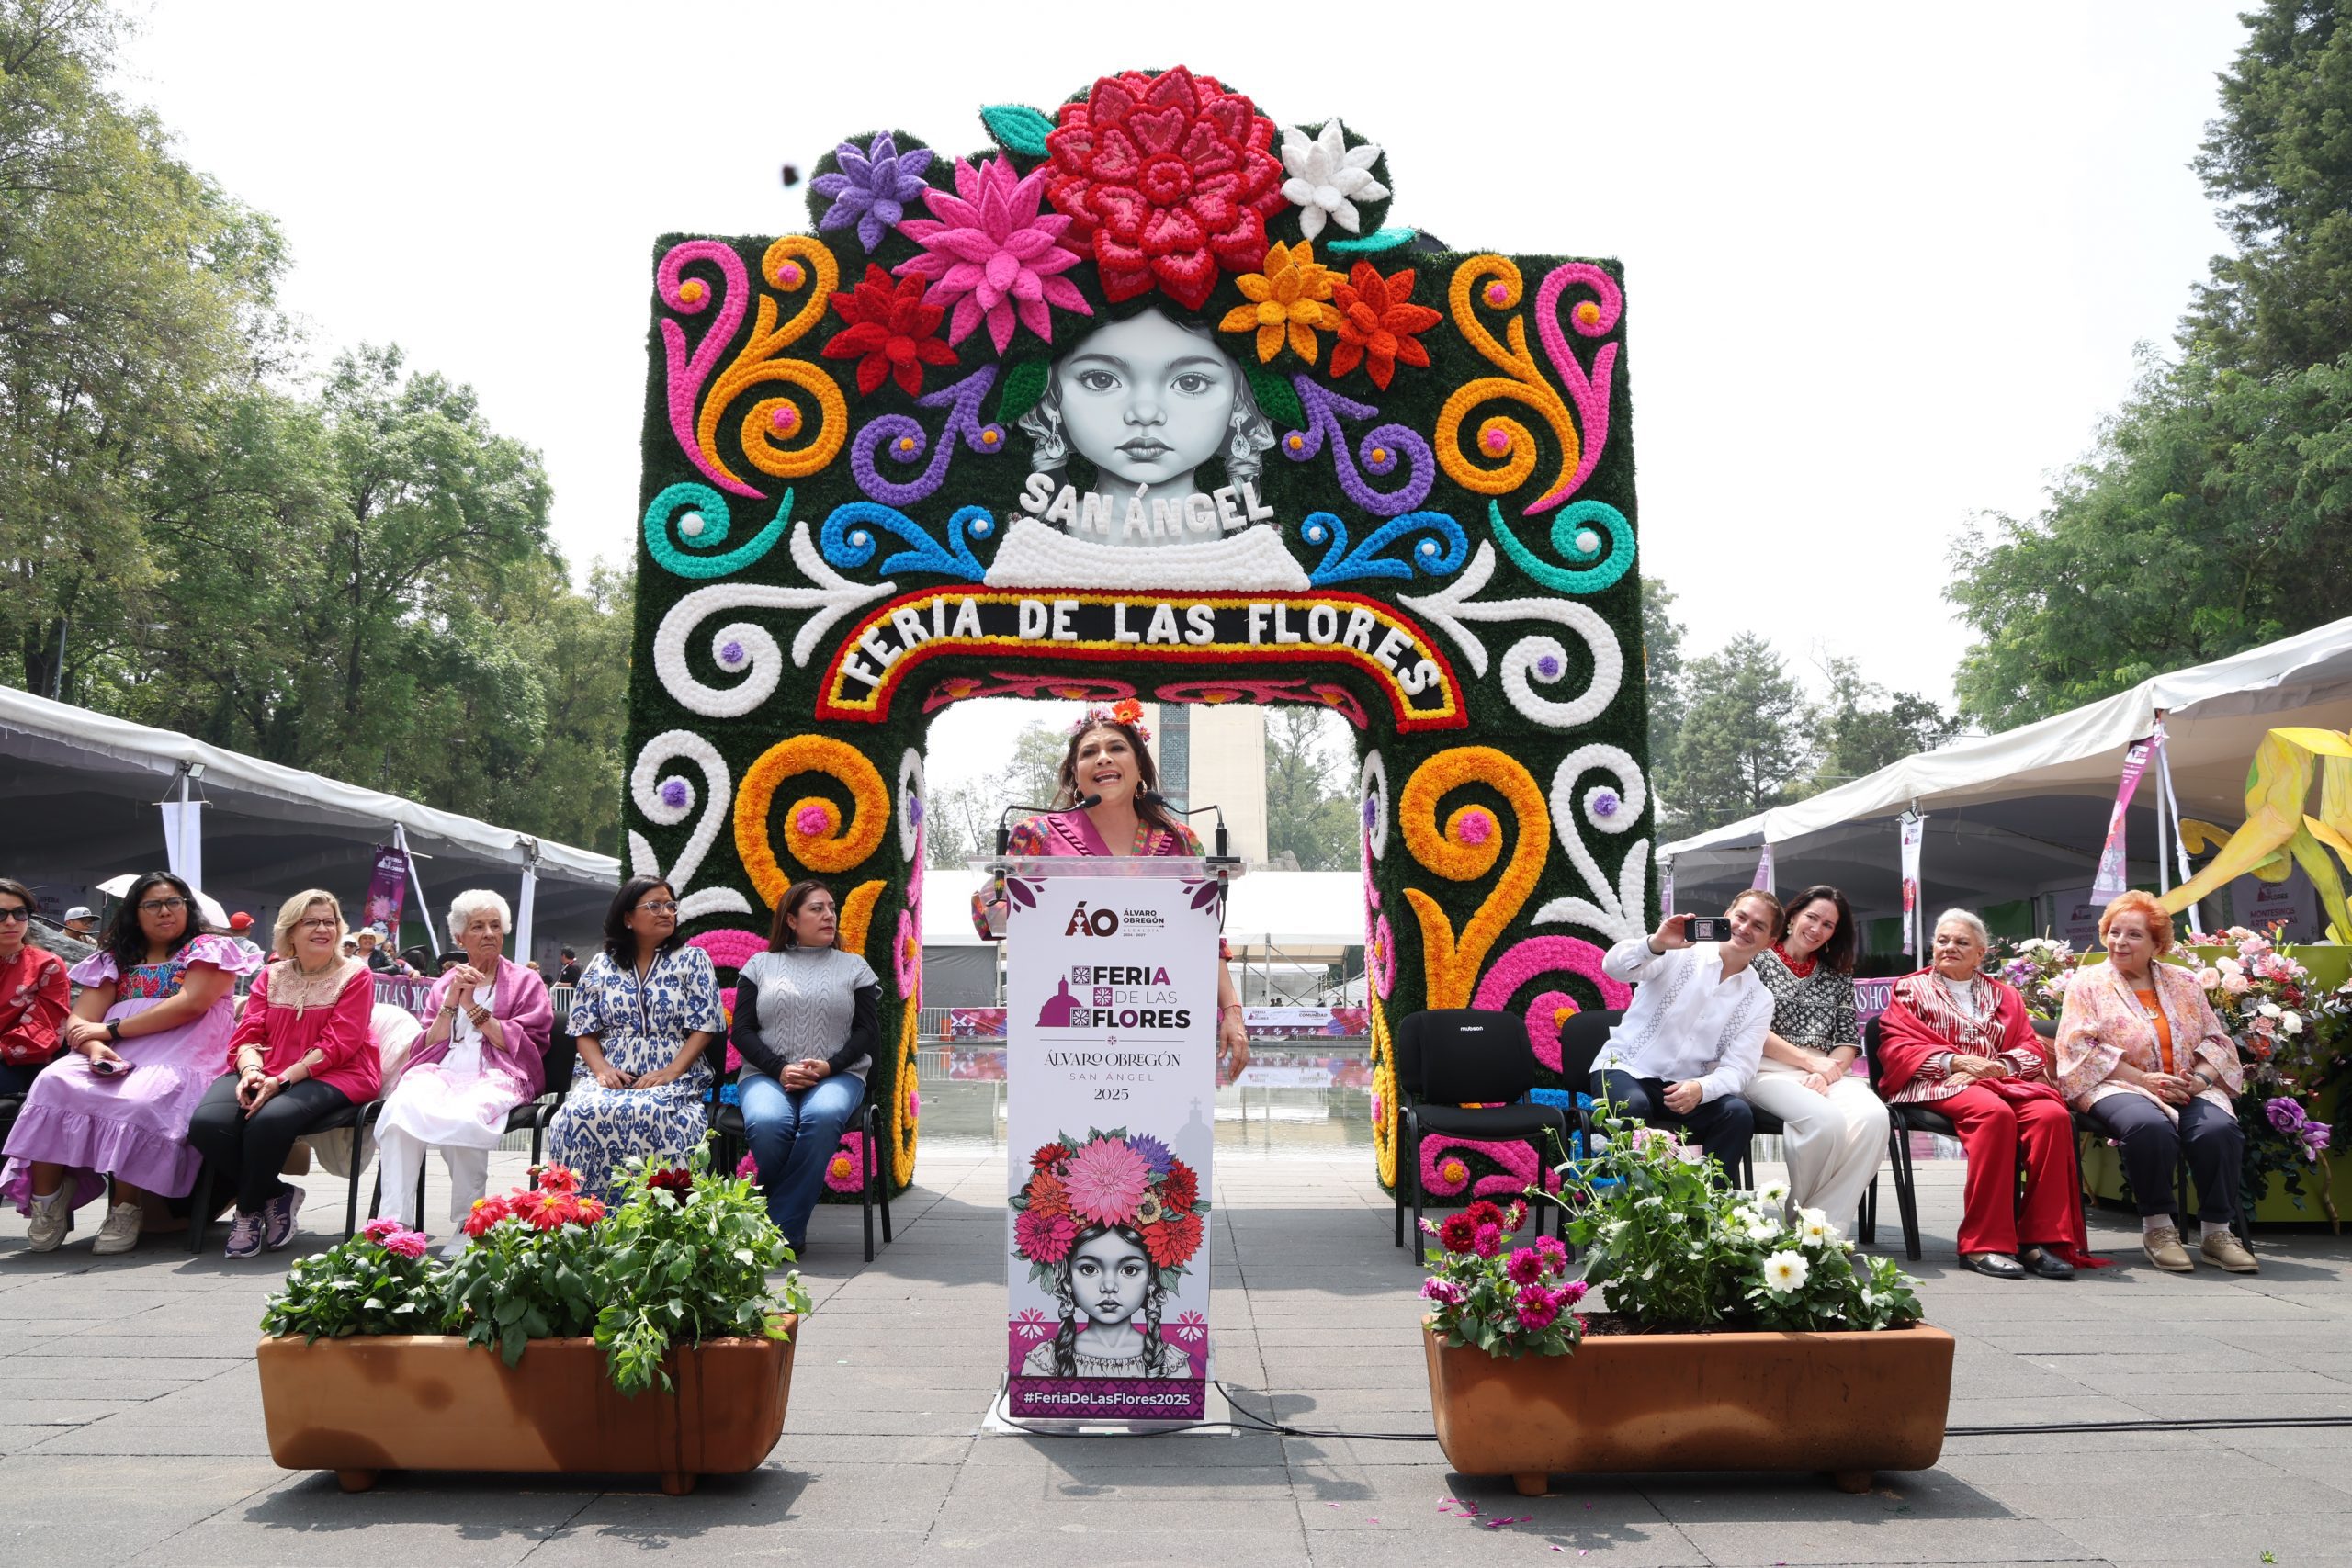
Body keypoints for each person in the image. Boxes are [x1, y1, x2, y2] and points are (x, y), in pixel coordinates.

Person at [970, 704, 1250, 1083]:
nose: (1103, 758)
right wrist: (1000, 901)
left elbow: (1207, 936)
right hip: (1068, 1030)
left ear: (1139, 768)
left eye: (1116, 748)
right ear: (1075, 773)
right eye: (1089, 752)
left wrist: (1231, 1012)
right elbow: (989, 914)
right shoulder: (1035, 835)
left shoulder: (1179, 841)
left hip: (1160, 1020)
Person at [3, 873, 258, 1254]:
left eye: (174, 902)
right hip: (108, 1051)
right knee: (52, 1082)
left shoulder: (208, 949)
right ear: (134, 913)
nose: (165, 912)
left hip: (181, 1055)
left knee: (139, 1099)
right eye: (152, 905)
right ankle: (47, 1201)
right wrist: (92, 1047)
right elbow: (80, 1018)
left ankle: (126, 1208)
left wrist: (110, 1031)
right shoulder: (114, 958)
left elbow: (191, 1004)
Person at [1875, 909, 2097, 1280]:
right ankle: (1983, 1244)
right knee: (1994, 1115)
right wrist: (1956, 1062)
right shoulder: (1910, 989)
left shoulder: (2004, 994)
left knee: (2052, 1117)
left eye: (1961, 942)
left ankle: (2039, 1241)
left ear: (1981, 954)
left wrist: (2005, 1067)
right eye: (1943, 941)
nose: (1949, 948)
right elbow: (1896, 1046)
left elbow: (2031, 1047)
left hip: (2002, 1081)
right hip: (1938, 1082)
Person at [2053, 891, 2256, 1274]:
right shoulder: (2088, 983)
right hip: (2114, 1084)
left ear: (2156, 944)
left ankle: (2216, 1232)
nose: (2119, 942)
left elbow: (2216, 1041)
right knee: (2149, 1127)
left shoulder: (2183, 982)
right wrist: (2144, 1078)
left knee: (2218, 1131)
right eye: (2114, 932)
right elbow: (2078, 1047)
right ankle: (2159, 1229)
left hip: (2184, 1084)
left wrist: (2198, 1080)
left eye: (2133, 935)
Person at [189, 890, 379, 1258]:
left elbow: (340, 1043)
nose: (323, 928)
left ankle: (246, 1212)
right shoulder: (271, 974)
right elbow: (247, 1034)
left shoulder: (356, 974)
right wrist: (251, 1073)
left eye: (329, 921)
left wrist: (280, 1081)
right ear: (291, 932)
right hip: (267, 1068)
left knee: (268, 1122)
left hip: (338, 1071)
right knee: (206, 1125)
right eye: (311, 922)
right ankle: (277, 1193)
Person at [373, 890, 553, 1246]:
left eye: (495, 926)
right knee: (400, 1110)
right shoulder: (444, 983)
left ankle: (470, 1222)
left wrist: (471, 1005)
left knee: (468, 1114)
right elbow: (431, 1043)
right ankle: (394, 1226)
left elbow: (525, 1043)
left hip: (499, 1071)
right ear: (460, 938)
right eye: (478, 926)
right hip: (446, 1069)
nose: (489, 933)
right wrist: (452, 1000)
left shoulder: (525, 981)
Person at [544, 877, 724, 1201]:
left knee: (656, 1113)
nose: (666, 912)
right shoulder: (602, 965)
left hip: (674, 1069)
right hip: (610, 1069)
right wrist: (601, 1070)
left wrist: (672, 1072)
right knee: (575, 1116)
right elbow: (583, 1029)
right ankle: (582, 1217)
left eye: (670, 905)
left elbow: (705, 1026)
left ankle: (663, 1223)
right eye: (653, 906)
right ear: (627, 918)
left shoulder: (692, 960)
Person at [731, 881, 879, 1253]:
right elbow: (743, 1032)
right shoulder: (760, 965)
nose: (829, 915)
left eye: (832, 907)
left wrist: (830, 1067)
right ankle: (784, 1225)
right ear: (792, 920)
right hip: (767, 1074)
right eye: (817, 909)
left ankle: (778, 1229)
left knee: (824, 1114)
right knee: (768, 1124)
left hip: (839, 1074)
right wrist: (780, 1068)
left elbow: (867, 1033)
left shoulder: (854, 967)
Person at [1589, 896, 1776, 1175]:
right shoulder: (1681, 949)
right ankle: (1644, 1211)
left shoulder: (1761, 999)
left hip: (1684, 1091)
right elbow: (1612, 967)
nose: (1745, 928)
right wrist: (1655, 944)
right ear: (1727, 914)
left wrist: (1702, 1089)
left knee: (1737, 1114)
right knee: (1634, 1105)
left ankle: (1708, 1208)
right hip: (1625, 1068)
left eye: (1759, 926)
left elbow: (1740, 1069)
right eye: (1741, 917)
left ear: (1770, 942)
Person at [1745, 885, 1889, 1235]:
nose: (1817, 928)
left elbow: (1846, 1041)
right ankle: (1804, 1222)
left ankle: (1822, 1227)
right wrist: (1810, 1064)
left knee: (1874, 1118)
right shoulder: (1756, 960)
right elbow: (1748, 1028)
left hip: (1825, 1071)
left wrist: (1827, 1072)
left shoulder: (1836, 974)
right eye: (1812, 917)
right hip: (1764, 1068)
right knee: (1825, 1122)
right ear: (1793, 916)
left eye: (1828, 925)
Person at [1022, 1222, 1189, 1378]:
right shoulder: (1046, 1361)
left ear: (1152, 1281)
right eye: (1089, 1269)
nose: (1109, 1286)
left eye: (1129, 1270)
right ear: (1067, 1280)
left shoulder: (1171, 1363)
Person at [0, 877, 72, 1098]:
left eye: (20, 913)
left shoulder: (47, 965)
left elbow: (44, 1029)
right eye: (0, 914)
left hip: (16, 1063)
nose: (11, 922)